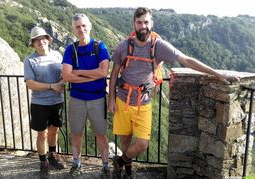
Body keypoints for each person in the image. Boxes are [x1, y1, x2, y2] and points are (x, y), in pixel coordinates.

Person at [108, 7, 232, 179]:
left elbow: (186, 60)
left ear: (151, 23)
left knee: (142, 143)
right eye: (139, 22)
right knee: (125, 139)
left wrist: (216, 74)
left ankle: (121, 161)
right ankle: (125, 167)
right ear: (134, 24)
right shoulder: (123, 46)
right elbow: (113, 73)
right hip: (122, 100)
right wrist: (111, 99)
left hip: (142, 103)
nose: (142, 26)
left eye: (146, 22)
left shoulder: (158, 46)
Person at [62, 13, 111, 178]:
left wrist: (80, 72)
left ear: (89, 27)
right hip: (77, 99)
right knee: (76, 133)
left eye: (84, 25)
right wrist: (93, 74)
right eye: (77, 27)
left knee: (101, 135)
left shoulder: (100, 47)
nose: (81, 29)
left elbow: (104, 72)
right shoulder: (71, 49)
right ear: (74, 30)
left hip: (97, 98)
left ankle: (105, 166)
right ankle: (76, 164)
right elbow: (67, 76)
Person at [24, 26, 66, 178]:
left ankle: (53, 155)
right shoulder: (29, 60)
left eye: (43, 38)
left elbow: (65, 74)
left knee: (54, 130)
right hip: (40, 103)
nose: (40, 42)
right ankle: (43, 162)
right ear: (33, 43)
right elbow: (29, 83)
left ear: (48, 40)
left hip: (57, 101)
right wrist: (51, 86)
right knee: (42, 134)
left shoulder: (57, 56)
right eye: (37, 40)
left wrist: (60, 82)